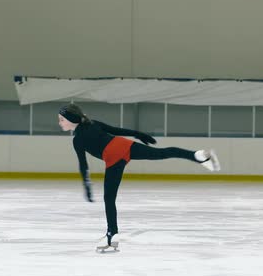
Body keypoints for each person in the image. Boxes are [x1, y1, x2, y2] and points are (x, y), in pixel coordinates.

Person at [58, 103, 220, 249]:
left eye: (62, 120)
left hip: (113, 157)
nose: (60, 123)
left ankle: (112, 235)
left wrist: (87, 184)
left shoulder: (77, 139)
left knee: (109, 198)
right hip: (124, 145)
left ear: (71, 119)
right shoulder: (94, 123)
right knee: (162, 153)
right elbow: (117, 131)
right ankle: (198, 156)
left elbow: (83, 164)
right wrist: (138, 134)